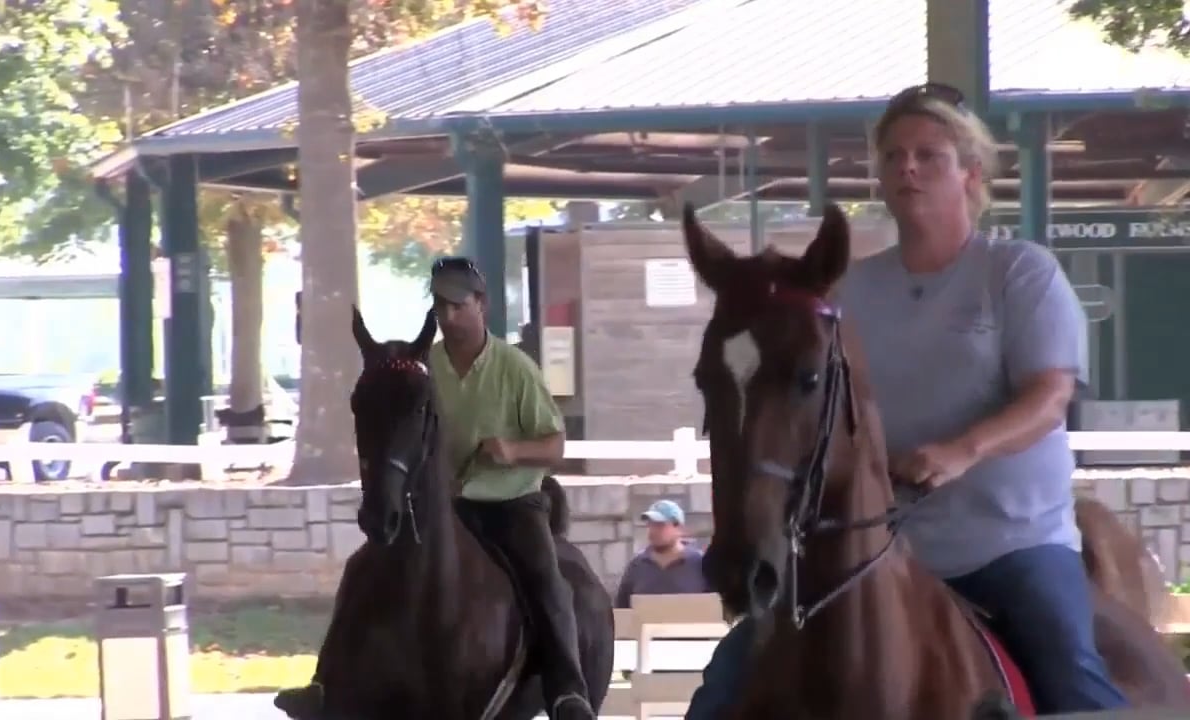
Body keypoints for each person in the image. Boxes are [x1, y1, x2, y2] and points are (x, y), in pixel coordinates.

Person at [685, 83, 1128, 718]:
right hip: (875, 551)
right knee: (722, 688)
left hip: (1011, 542)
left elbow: (1049, 396)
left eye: (929, 154)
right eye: (893, 156)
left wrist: (960, 451)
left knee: (1071, 677)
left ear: (972, 174)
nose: (907, 168)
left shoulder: (1018, 272)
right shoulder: (851, 291)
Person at [274, 257, 592, 720]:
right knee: (363, 566)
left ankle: (567, 692)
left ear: (481, 304)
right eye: (439, 306)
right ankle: (325, 683)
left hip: (511, 504)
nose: (446, 316)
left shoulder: (514, 368)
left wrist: (513, 451)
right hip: (445, 506)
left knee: (545, 577)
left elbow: (556, 446)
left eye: (456, 305)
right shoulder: (425, 369)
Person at [615, 499, 710, 609]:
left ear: (679, 528)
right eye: (650, 525)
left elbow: (717, 609)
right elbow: (621, 611)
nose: (653, 530)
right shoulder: (636, 566)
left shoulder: (700, 564)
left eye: (660, 525)